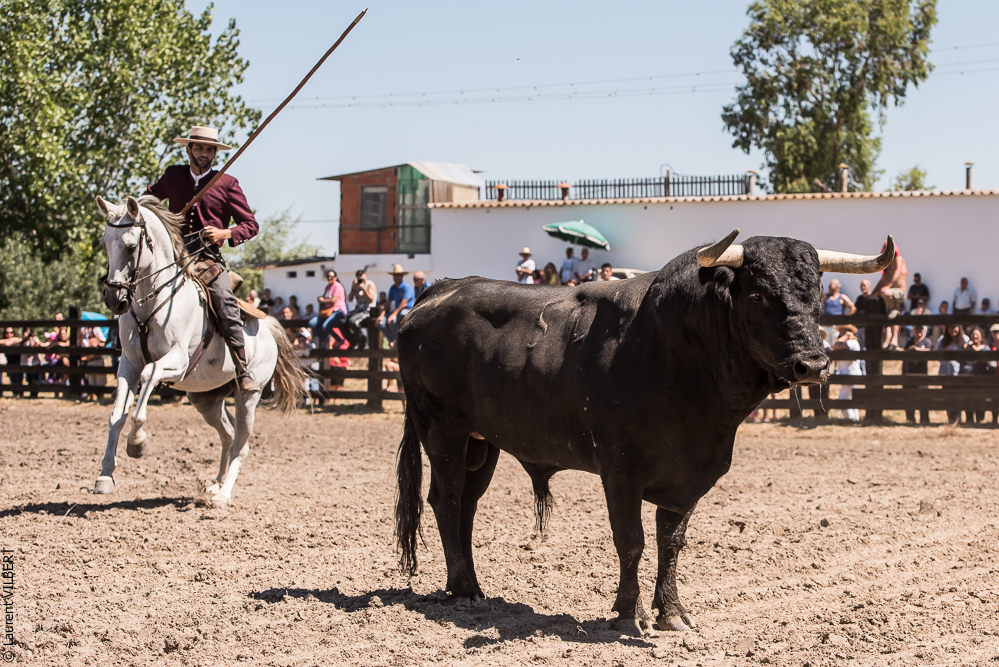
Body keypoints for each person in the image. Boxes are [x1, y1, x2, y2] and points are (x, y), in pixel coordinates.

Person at [144, 125, 260, 392]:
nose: (204, 153)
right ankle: (134, 354)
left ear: (215, 153)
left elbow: (251, 225)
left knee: (224, 300)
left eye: (209, 149)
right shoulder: (173, 175)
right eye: (199, 148)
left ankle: (242, 368)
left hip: (207, 258)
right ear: (189, 150)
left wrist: (225, 232)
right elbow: (147, 199)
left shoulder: (227, 183)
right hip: (172, 255)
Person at [873, 241, 907, 348]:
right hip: (890, 296)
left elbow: (897, 272)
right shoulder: (887, 266)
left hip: (899, 292)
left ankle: (893, 308)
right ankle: (893, 341)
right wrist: (872, 293)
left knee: (884, 292)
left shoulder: (899, 259)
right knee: (891, 318)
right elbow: (882, 281)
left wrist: (888, 286)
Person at [936, 323, 970, 424]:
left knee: (958, 396)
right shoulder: (942, 340)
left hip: (959, 373)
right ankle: (950, 418)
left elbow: (969, 355)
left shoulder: (965, 339)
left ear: (959, 328)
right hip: (945, 372)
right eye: (950, 327)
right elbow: (936, 354)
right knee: (947, 396)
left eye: (955, 327)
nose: (952, 330)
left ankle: (958, 418)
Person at [832, 324, 863, 422]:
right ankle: (854, 418)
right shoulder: (849, 342)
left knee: (842, 398)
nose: (842, 333)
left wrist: (846, 336)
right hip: (848, 374)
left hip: (851, 374)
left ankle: (850, 418)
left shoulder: (852, 342)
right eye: (841, 331)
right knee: (850, 398)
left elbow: (836, 346)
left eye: (844, 331)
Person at [902, 324, 932, 424]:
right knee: (909, 397)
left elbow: (929, 352)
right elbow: (904, 356)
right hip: (909, 373)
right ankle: (910, 419)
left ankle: (924, 420)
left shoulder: (926, 342)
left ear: (924, 331)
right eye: (917, 329)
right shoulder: (909, 342)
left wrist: (917, 350)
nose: (919, 331)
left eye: (921, 329)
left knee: (923, 397)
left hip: (921, 374)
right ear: (913, 330)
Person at [378, 264, 415, 344]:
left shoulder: (406, 287)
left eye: (398, 275)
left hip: (407, 310)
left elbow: (404, 303)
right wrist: (382, 314)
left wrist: (394, 314)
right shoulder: (393, 288)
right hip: (397, 310)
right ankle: (392, 340)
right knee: (380, 323)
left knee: (393, 320)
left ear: (402, 276)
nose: (396, 277)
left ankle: (398, 340)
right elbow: (387, 303)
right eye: (395, 275)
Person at [311, 271, 348, 349]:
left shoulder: (338, 286)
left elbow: (333, 300)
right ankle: (324, 339)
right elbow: (324, 298)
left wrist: (323, 300)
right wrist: (320, 299)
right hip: (328, 311)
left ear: (335, 277)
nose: (329, 278)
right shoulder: (327, 287)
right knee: (312, 323)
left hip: (338, 311)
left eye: (331, 276)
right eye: (328, 276)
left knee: (325, 326)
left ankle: (339, 340)